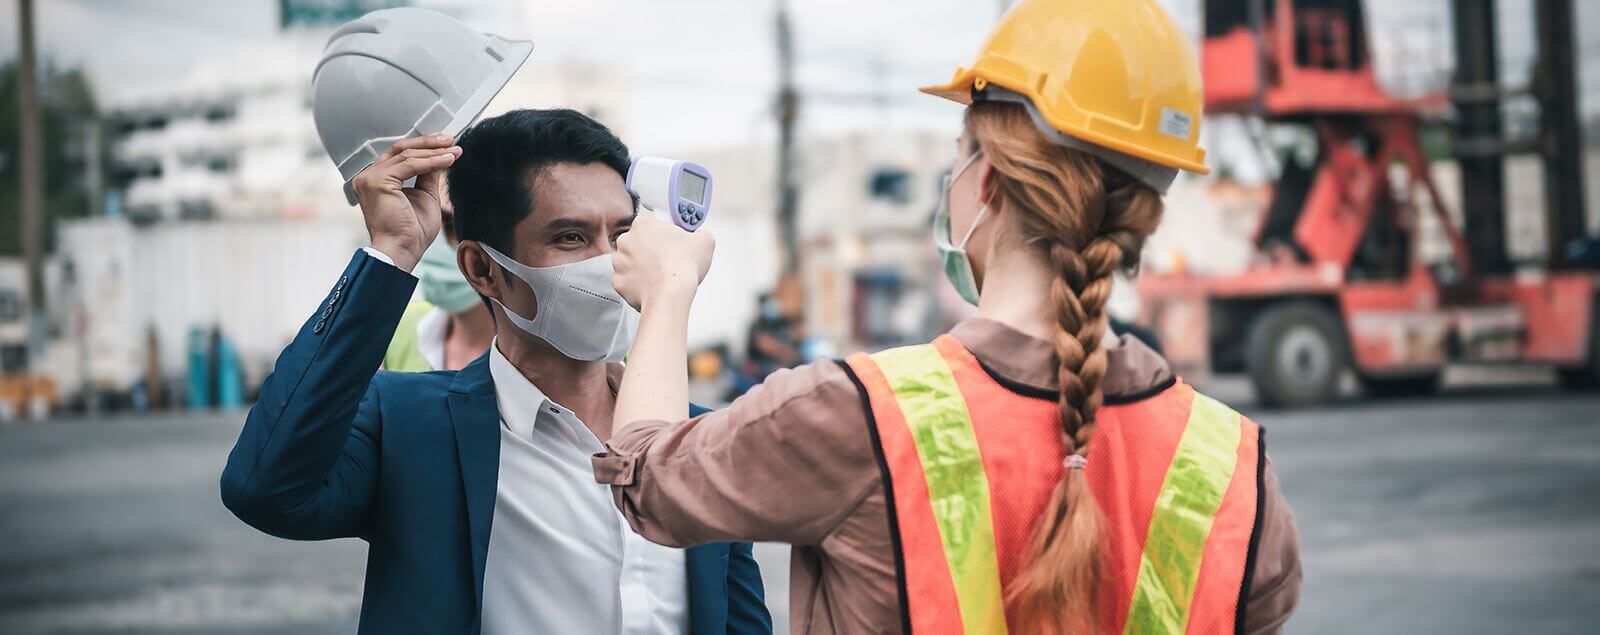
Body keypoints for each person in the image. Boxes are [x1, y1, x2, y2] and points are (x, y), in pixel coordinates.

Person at [595, 1, 1300, 633]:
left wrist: (666, 291)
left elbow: (648, 480)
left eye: (958, 158)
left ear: (986, 179)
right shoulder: (1232, 463)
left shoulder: (862, 412)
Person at [221, 109, 770, 634]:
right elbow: (265, 488)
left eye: (622, 235)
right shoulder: (410, 426)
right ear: (482, 269)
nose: (610, 263)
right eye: (570, 238)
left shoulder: (698, 441)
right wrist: (390, 254)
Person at [384, 180, 495, 372]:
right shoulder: (395, 327)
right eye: (423, 215)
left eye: (452, 225)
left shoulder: (543, 352)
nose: (433, 235)